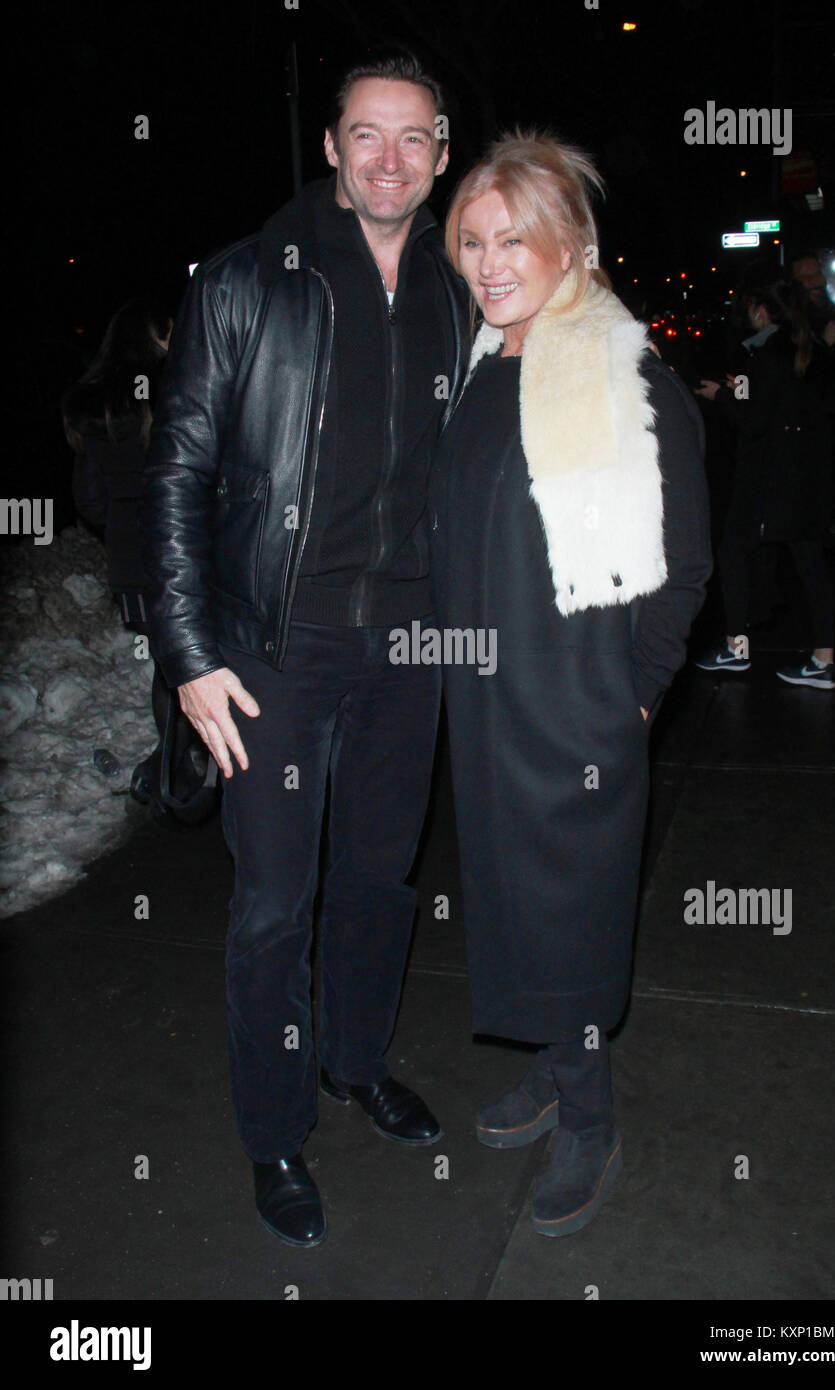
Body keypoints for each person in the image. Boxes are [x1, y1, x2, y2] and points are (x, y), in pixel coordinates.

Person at [140, 50, 471, 1247]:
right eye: (367, 135)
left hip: (413, 645)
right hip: (275, 650)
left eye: (415, 138)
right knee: (277, 906)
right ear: (331, 145)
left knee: (380, 882)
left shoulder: (458, 286)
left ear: (441, 153)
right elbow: (173, 473)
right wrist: (187, 653)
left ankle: (351, 1060)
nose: (391, 158)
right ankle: (276, 1132)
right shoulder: (246, 281)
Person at [428, 131, 711, 1237]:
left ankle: (589, 1111)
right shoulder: (482, 365)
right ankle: (554, 1066)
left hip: (579, 712)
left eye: (517, 239)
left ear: (572, 245)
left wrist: (631, 702)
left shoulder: (620, 370)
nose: (493, 261)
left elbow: (685, 567)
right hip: (491, 705)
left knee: (575, 920)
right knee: (515, 906)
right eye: (475, 240)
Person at [61, 298, 205, 809]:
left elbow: (90, 500)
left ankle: (175, 764)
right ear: (150, 338)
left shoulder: (94, 405)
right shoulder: (172, 390)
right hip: (182, 551)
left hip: (130, 556)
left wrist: (120, 527)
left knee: (170, 667)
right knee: (194, 661)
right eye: (167, 332)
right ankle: (175, 770)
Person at [694, 283, 835, 688]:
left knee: (733, 550)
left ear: (761, 310)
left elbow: (756, 420)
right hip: (807, 479)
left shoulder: (767, 353)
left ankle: (737, 650)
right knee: (811, 565)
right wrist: (736, 390)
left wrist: (722, 394)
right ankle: (824, 659)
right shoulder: (808, 350)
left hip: (770, 481)